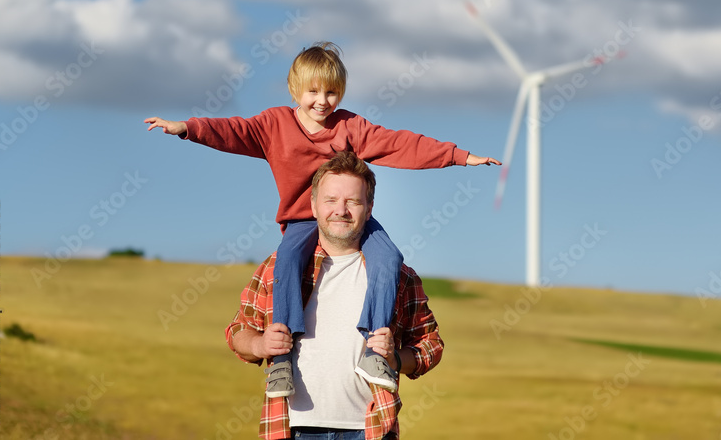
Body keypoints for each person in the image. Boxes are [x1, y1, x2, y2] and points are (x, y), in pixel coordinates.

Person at [145, 42, 495, 396]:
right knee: (287, 260)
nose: (323, 101)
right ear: (294, 89)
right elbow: (234, 131)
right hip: (301, 220)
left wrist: (457, 156)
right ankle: (282, 358)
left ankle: (374, 350)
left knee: (389, 257)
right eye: (313, 91)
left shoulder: (349, 126)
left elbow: (397, 144)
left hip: (347, 218)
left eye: (331, 92)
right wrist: (187, 128)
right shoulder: (274, 124)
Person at [227, 151, 444, 440]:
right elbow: (238, 331)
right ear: (313, 205)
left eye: (353, 201)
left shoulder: (398, 276)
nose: (341, 210)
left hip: (370, 430)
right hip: (292, 429)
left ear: (369, 209)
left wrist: (394, 359)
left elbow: (430, 345)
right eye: (330, 200)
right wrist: (260, 344)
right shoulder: (278, 269)